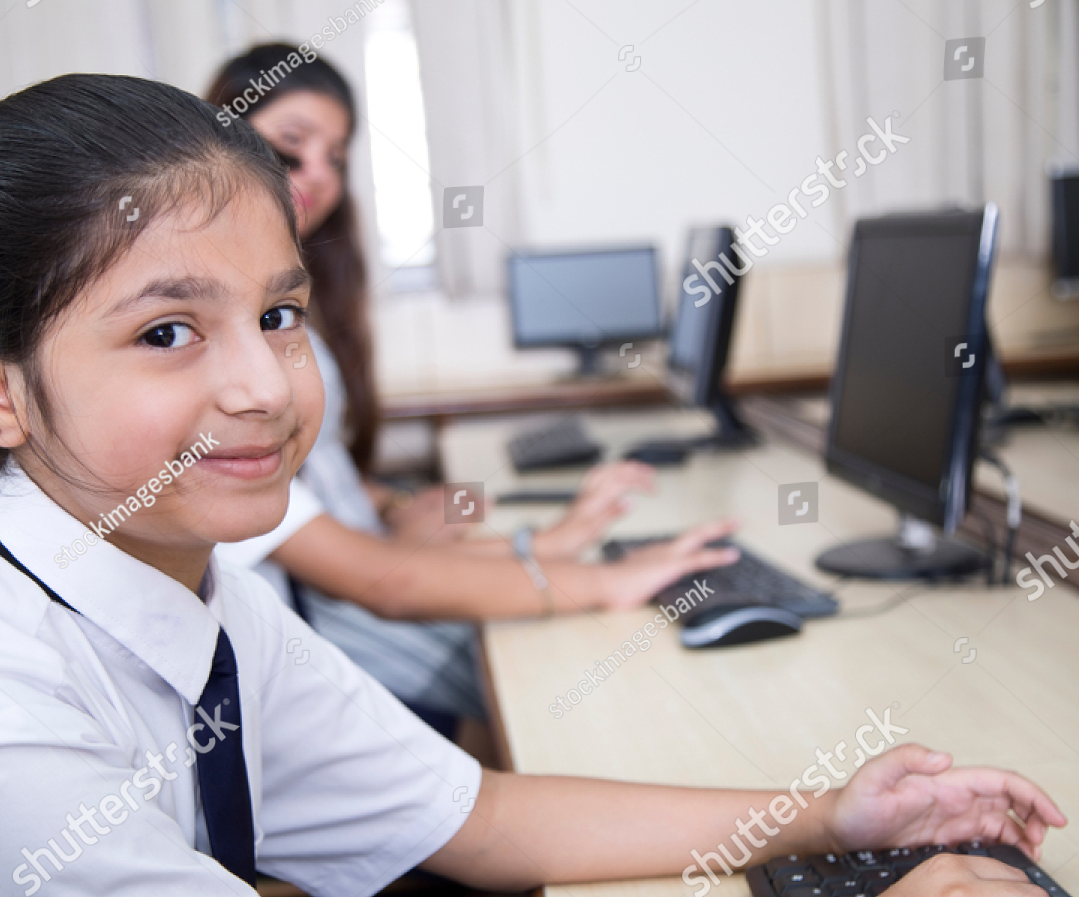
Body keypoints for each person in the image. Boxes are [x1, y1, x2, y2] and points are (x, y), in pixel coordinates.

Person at [0, 75, 1067, 897]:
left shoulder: (183, 584)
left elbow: (474, 815)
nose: (260, 385)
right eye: (167, 331)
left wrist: (824, 815)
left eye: (277, 315)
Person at [205, 47, 734, 729]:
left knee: (569, 619)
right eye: (291, 147)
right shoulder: (217, 342)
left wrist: (425, 510)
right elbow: (382, 580)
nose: (319, 176)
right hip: (331, 620)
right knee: (585, 665)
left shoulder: (286, 304)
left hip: (358, 576)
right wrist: (592, 575)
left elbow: (331, 489)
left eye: (337, 157)